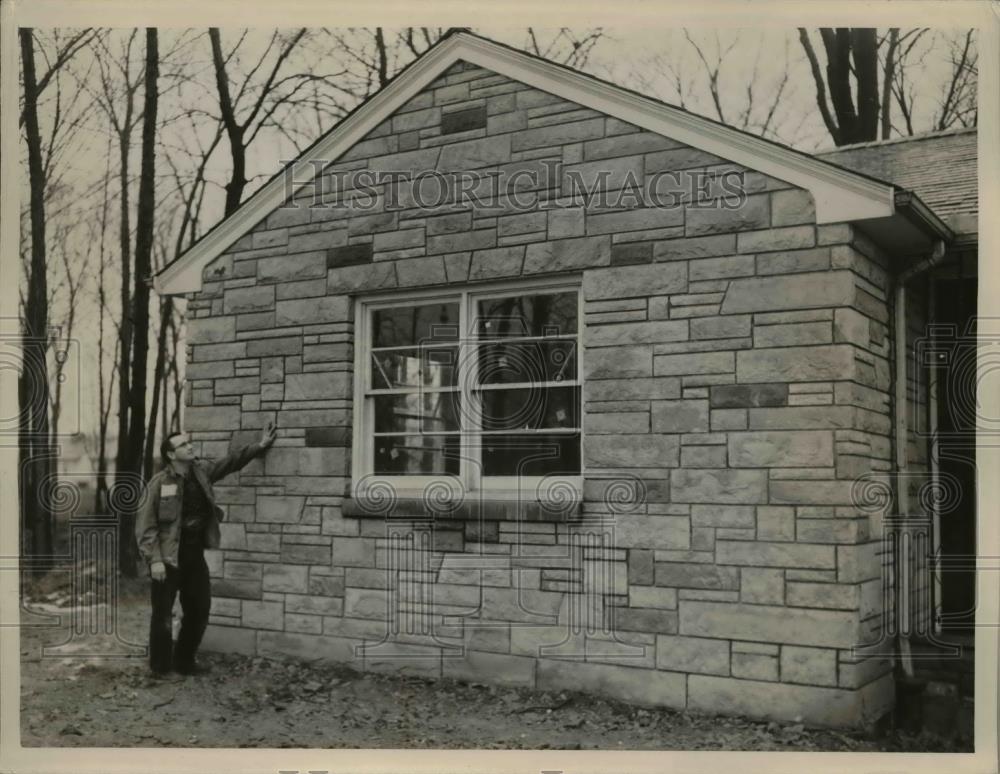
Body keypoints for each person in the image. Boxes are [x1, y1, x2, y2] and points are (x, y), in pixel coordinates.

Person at [135, 421, 277, 677]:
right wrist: (154, 560)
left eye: (189, 443)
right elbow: (146, 527)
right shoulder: (158, 484)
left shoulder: (202, 472)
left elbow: (230, 462)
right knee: (163, 615)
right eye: (183, 445)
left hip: (193, 554)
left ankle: (184, 661)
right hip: (167, 558)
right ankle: (160, 668)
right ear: (170, 454)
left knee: (199, 608)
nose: (190, 447)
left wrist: (260, 446)